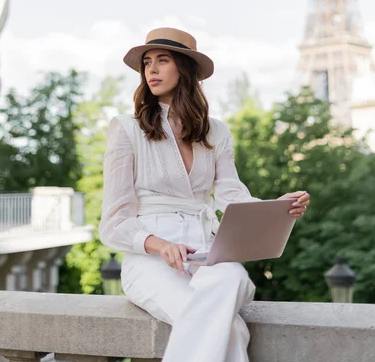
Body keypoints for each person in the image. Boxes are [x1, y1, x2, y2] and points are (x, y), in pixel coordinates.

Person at [99, 27, 310, 362]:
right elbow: (113, 224)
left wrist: (276, 207)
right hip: (151, 260)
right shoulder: (126, 129)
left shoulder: (217, 132)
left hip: (210, 254)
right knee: (233, 330)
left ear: (185, 69)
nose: (151, 69)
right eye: (147, 63)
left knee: (232, 277)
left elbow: (232, 195)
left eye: (162, 60)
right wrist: (161, 244)